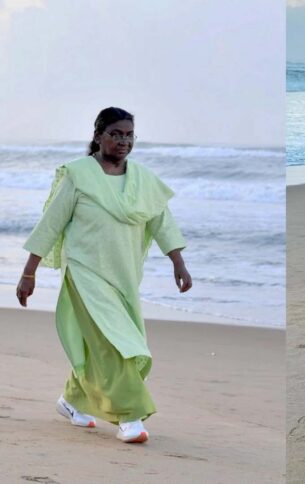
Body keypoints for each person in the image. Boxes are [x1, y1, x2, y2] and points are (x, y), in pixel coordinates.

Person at [16, 107, 192, 442]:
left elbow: (161, 222)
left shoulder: (142, 179)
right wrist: (29, 273)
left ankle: (72, 400)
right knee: (114, 345)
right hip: (85, 274)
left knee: (104, 343)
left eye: (129, 135)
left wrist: (178, 263)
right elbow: (50, 224)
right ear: (98, 136)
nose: (124, 141)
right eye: (116, 134)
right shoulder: (79, 175)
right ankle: (130, 416)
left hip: (124, 277)